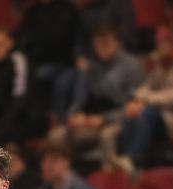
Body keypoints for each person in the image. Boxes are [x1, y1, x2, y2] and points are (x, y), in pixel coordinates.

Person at [114, 26, 173, 174]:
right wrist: (137, 99)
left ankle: (133, 159)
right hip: (166, 115)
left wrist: (147, 100)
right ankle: (124, 160)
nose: (159, 47)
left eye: (162, 43)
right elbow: (147, 86)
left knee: (146, 114)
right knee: (133, 112)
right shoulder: (163, 63)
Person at [50, 22, 144, 167]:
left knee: (106, 136)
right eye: (98, 44)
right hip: (89, 119)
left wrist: (104, 119)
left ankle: (111, 175)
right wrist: (75, 115)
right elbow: (78, 100)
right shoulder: (90, 66)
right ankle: (65, 177)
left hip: (118, 120)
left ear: (118, 43)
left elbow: (134, 107)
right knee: (56, 136)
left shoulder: (132, 67)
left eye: (106, 43)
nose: (101, 48)